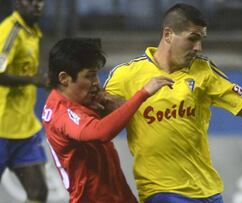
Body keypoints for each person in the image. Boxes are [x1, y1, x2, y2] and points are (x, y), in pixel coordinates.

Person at [104, 3, 242, 203]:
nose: (198, 47)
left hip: (208, 191)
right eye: (192, 38)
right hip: (161, 190)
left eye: (201, 40)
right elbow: (101, 117)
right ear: (168, 34)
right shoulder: (126, 76)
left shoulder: (203, 71)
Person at [42, 38, 174, 203]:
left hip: (118, 195)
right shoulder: (61, 112)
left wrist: (105, 100)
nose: (96, 82)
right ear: (64, 78)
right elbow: (100, 132)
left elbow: (123, 111)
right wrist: (143, 93)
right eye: (89, 76)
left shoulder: (80, 102)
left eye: (96, 74)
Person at [0, 0, 48, 202]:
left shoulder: (32, 32)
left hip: (24, 129)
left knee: (38, 193)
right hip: (1, 127)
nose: (37, 5)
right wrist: (33, 80)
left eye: (40, 1)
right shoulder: (10, 31)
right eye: (30, 1)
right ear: (17, 4)